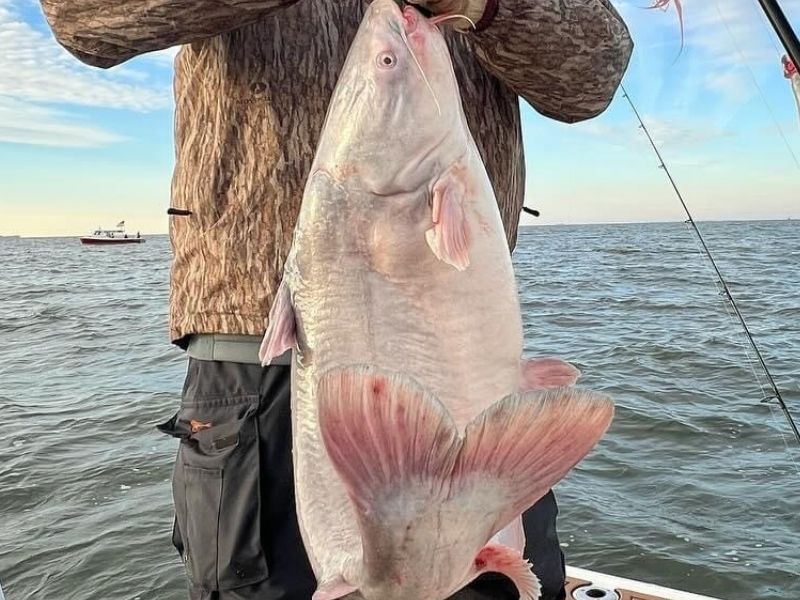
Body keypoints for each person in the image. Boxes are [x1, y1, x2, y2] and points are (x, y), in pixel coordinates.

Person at [39, 0, 632, 598]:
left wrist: (486, 5)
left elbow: (595, 71)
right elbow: (85, 17)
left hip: (469, 359)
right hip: (261, 361)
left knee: (491, 575)